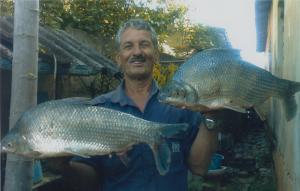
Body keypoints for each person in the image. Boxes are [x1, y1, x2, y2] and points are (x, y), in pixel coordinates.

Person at [66, 18, 219, 191]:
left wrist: (211, 115)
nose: (137, 52)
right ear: (119, 58)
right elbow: (86, 182)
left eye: (144, 44)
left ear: (156, 55)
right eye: (128, 46)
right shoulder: (97, 110)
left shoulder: (181, 106)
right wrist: (63, 163)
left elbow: (199, 168)